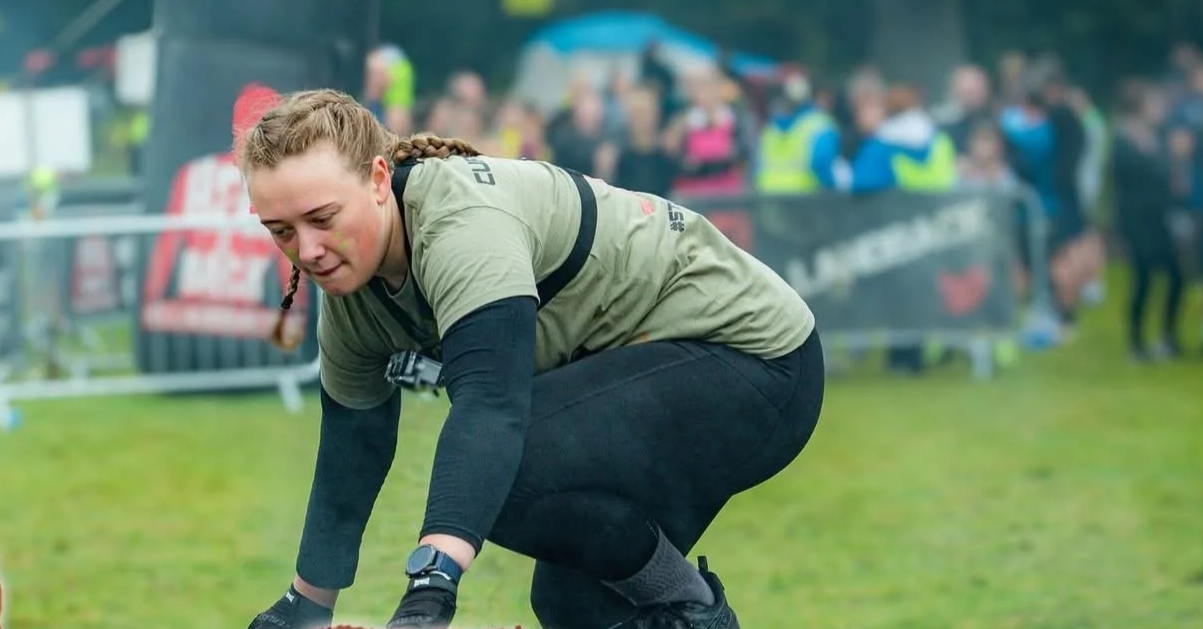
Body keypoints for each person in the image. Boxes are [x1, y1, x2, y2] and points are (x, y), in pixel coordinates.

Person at [239, 89, 824, 629]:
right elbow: (352, 450)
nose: (308, 250)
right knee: (575, 602)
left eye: (322, 219)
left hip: (759, 364)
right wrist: (303, 609)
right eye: (280, 230)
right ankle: (692, 610)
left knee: (510, 469)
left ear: (376, 178)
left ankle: (690, 607)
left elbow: (492, 413)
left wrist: (429, 590)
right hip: (689, 374)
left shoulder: (461, 225)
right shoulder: (351, 288)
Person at [1111, 81, 1186, 362]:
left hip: (1159, 219)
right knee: (1142, 279)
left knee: (1176, 276)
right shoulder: (1123, 140)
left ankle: (1168, 335)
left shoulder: (1159, 138)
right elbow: (1132, 175)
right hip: (1136, 221)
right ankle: (1137, 342)